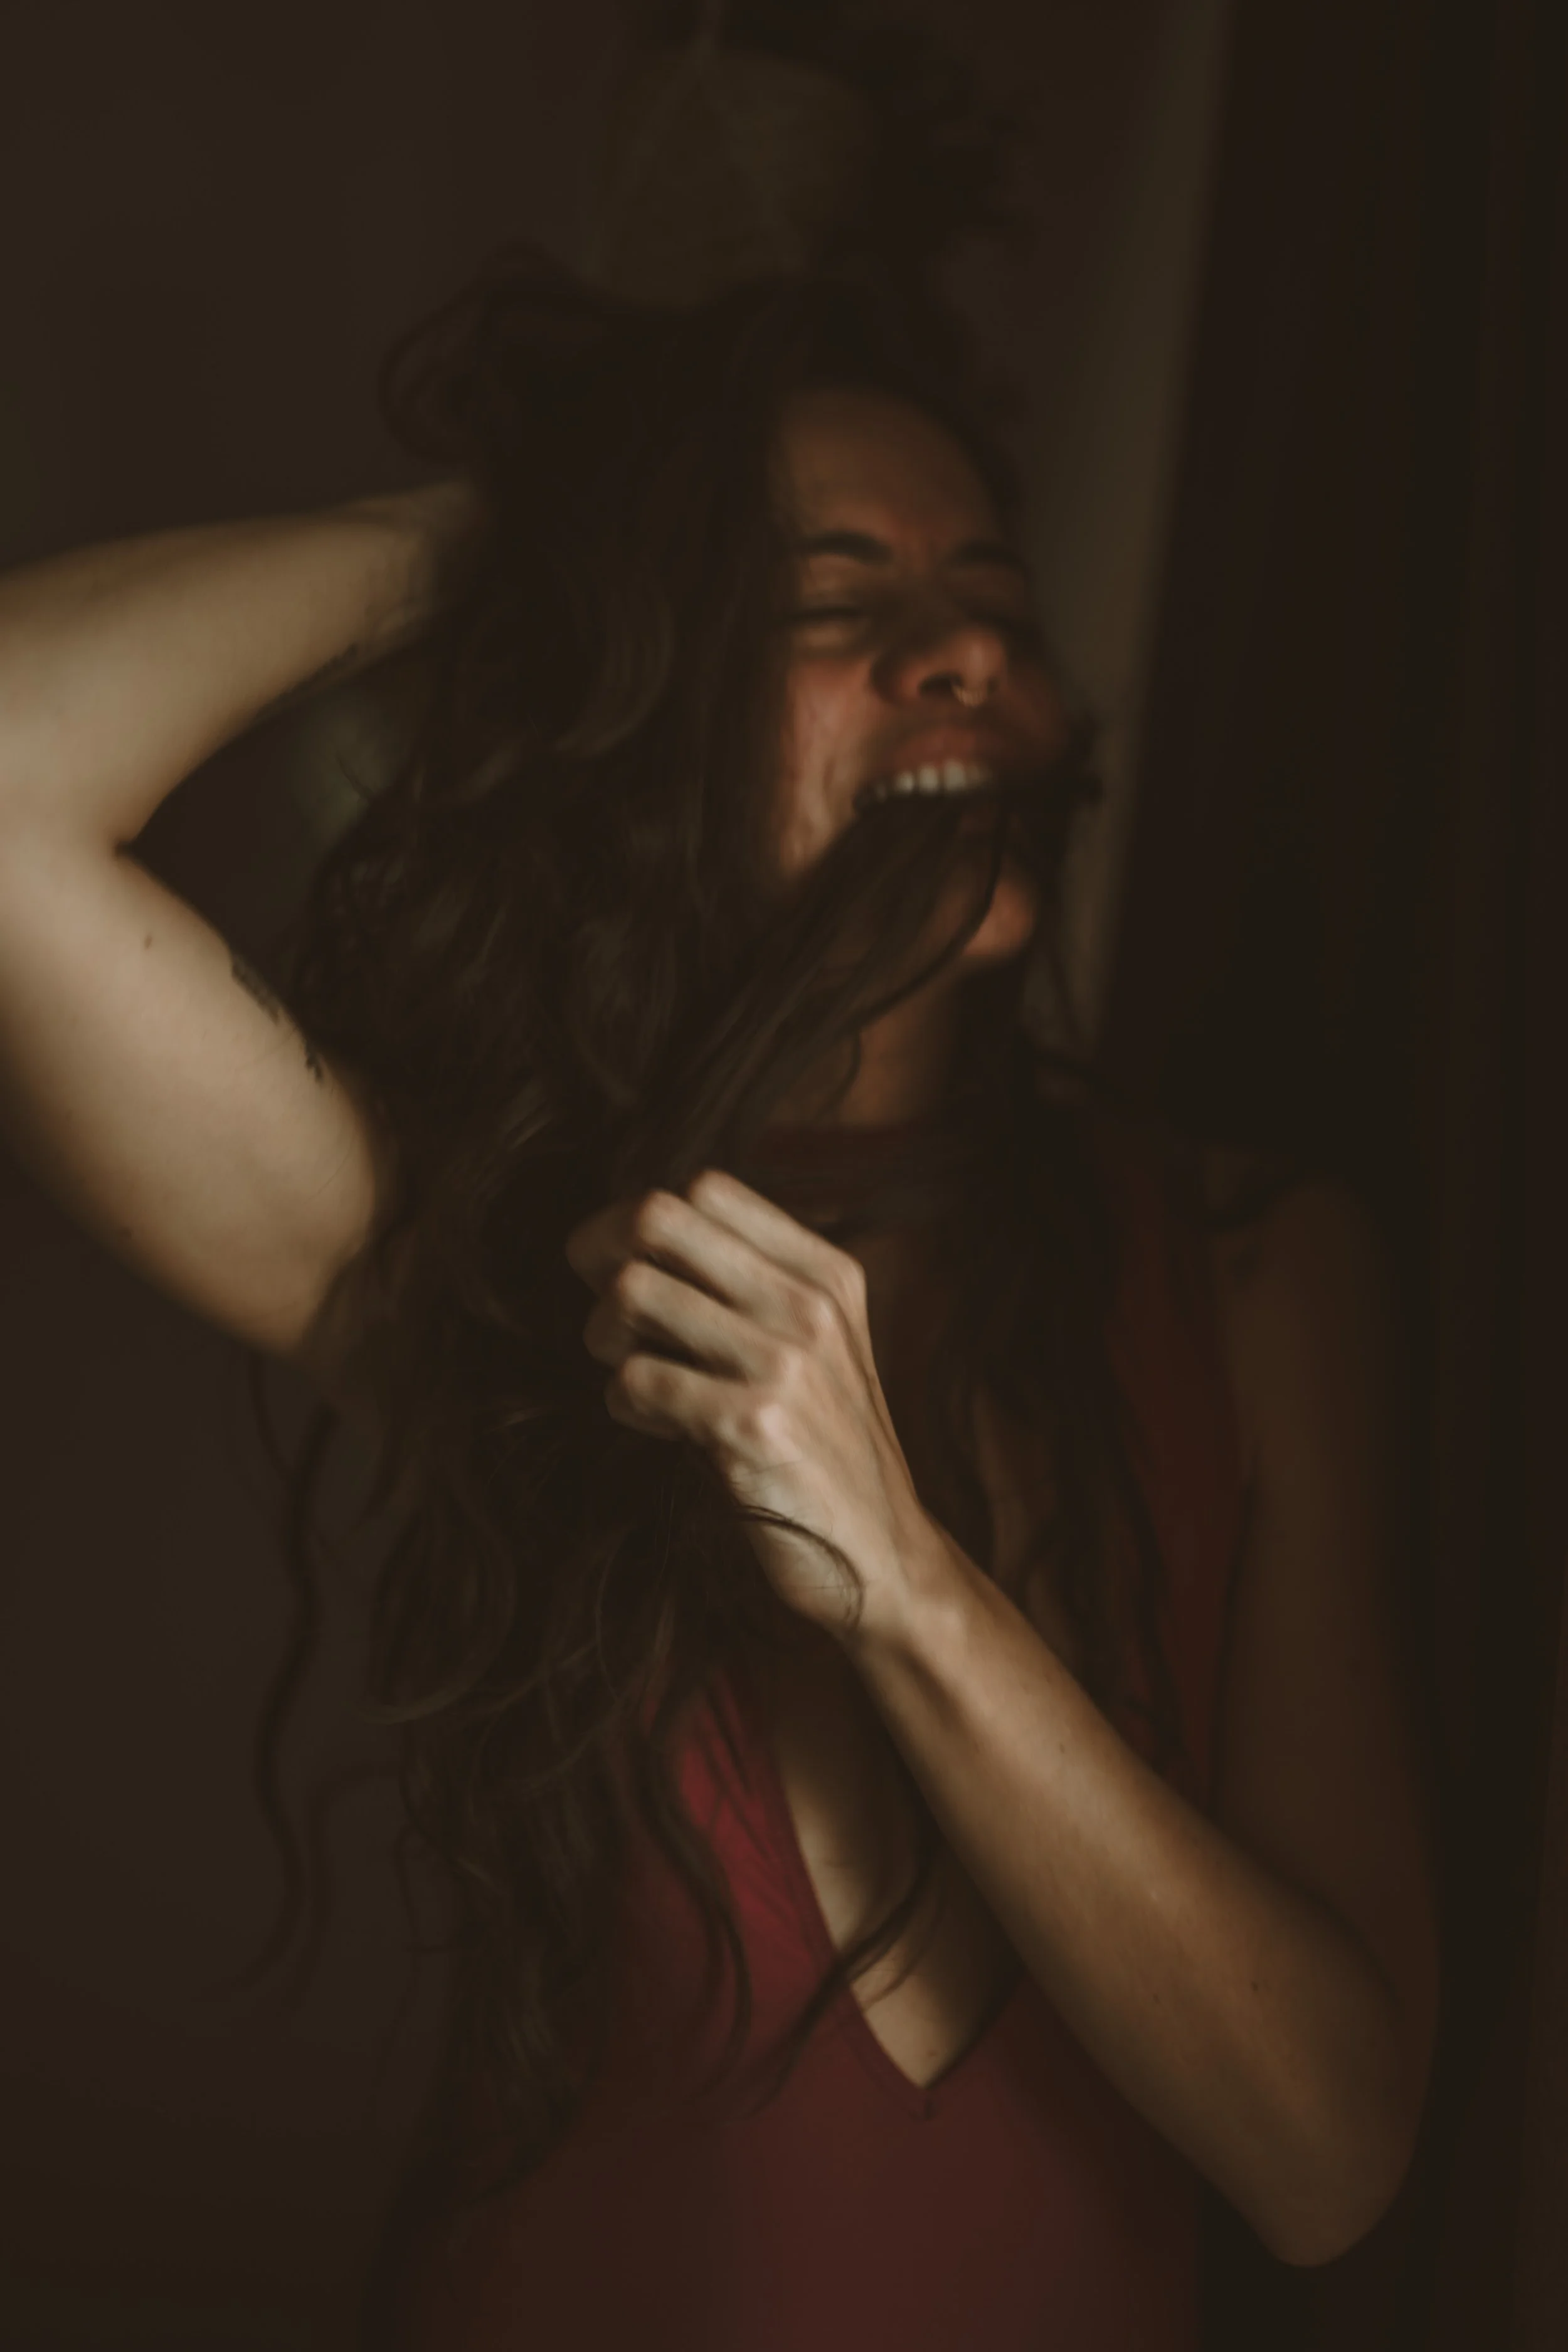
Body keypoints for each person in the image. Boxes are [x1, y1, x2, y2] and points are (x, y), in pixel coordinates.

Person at [0, 254, 1438, 2349]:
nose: (959, 649)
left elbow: (1328, 2157)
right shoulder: (530, 1281)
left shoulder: (1251, 1275)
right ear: (656, 695)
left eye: (995, 605)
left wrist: (904, 1581)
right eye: (835, 605)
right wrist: (554, 536)